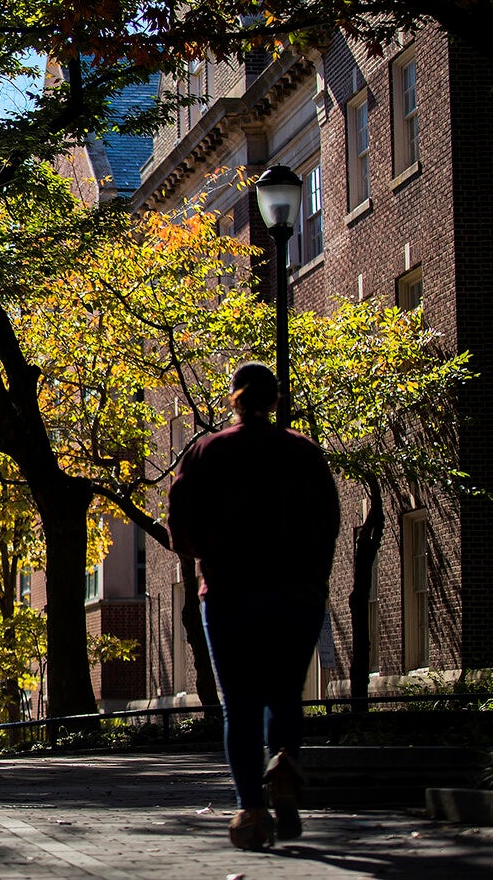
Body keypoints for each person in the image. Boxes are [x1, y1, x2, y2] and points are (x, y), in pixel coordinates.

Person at [168, 362, 340, 851]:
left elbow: (180, 522)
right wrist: (312, 579)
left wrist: (209, 554)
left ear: (234, 400)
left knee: (239, 705)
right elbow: (328, 519)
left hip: (230, 593)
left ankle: (250, 808)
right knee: (285, 694)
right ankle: (284, 763)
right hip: (296, 594)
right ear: (276, 400)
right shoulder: (303, 452)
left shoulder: (206, 451)